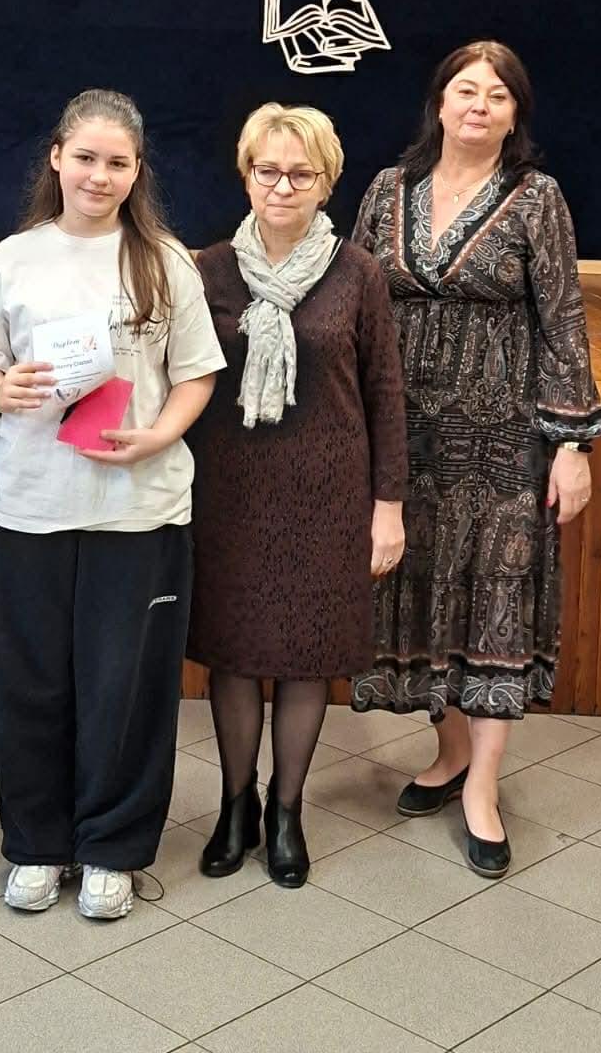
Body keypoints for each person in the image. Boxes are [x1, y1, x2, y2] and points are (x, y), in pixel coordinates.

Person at [352, 40, 601, 876]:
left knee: (495, 604)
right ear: (440, 101)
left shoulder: (537, 198)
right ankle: (451, 749)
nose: (479, 105)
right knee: (425, 596)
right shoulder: (388, 189)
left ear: (514, 114)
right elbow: (353, 303)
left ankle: (483, 791)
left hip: (502, 448)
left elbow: (564, 321)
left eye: (498, 95)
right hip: (405, 438)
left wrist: (571, 444)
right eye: (467, 90)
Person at [0, 88, 225, 921]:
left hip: (138, 511)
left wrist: (159, 437)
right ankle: (36, 843)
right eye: (85, 157)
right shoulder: (13, 260)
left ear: (137, 170)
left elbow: (196, 375)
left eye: (117, 162)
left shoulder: (165, 261)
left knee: (127, 688)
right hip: (30, 506)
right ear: (56, 157)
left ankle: (113, 847)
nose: (99, 175)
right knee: (30, 684)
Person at [187, 103, 407, 887]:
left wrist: (388, 507)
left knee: (307, 656)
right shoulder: (209, 268)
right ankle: (235, 805)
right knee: (234, 654)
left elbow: (385, 395)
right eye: (267, 170)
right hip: (231, 496)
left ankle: (286, 811)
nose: (282, 186)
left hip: (328, 498)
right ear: (245, 175)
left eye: (300, 173)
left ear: (327, 182)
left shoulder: (358, 274)